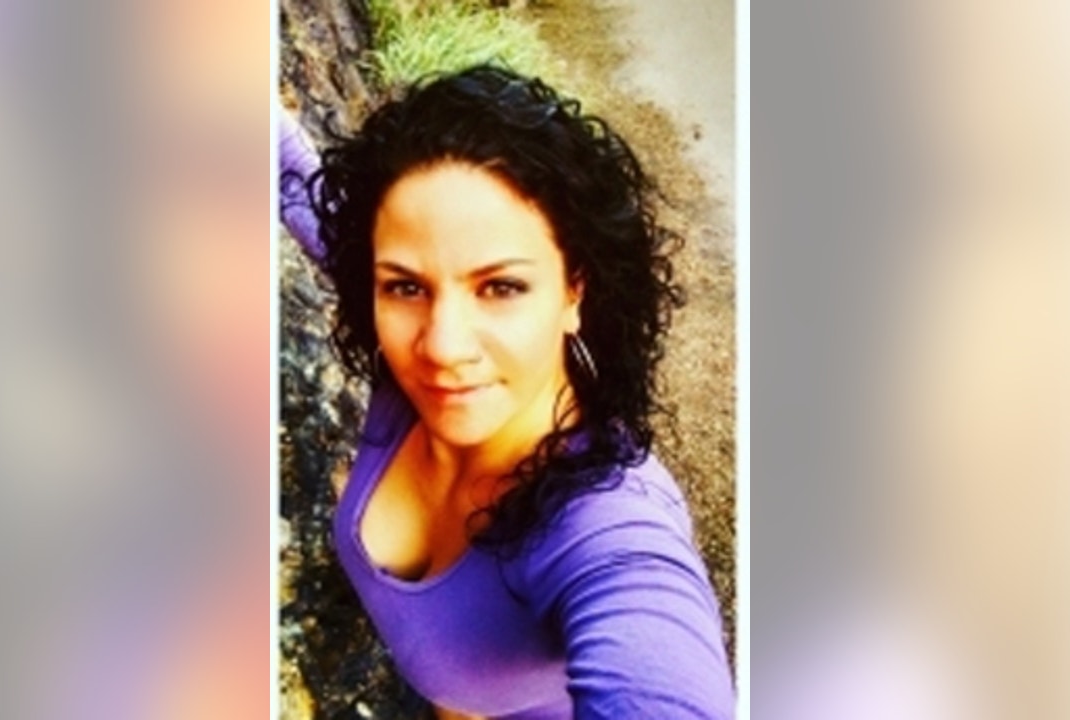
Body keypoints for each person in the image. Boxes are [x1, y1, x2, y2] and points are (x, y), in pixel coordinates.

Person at [280, 64, 734, 719]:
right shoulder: (399, 348)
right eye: (406, 286)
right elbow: (290, 177)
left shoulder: (609, 521)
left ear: (574, 291)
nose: (443, 346)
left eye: (500, 287)